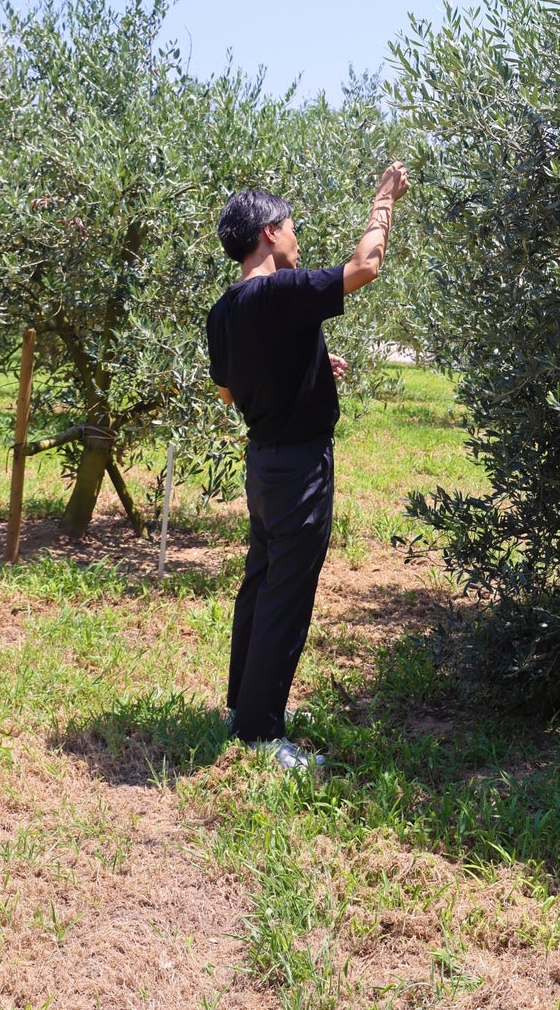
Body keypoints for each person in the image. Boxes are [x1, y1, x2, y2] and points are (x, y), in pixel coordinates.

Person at [207, 163, 409, 768]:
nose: (297, 238)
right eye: (292, 228)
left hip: (263, 466)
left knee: (260, 585)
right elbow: (366, 266)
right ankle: (262, 734)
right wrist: (382, 199)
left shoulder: (225, 310)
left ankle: (244, 706)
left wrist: (311, 364)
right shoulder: (280, 292)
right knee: (285, 597)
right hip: (299, 470)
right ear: (269, 232)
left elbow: (229, 392)